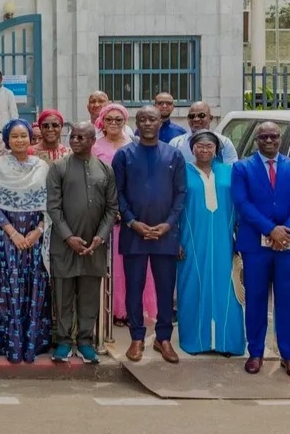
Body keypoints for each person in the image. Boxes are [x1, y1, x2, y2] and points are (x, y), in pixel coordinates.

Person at [232, 122, 290, 379]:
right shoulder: (242, 168)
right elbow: (242, 202)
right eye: (264, 136)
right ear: (257, 140)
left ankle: (289, 356)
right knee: (255, 299)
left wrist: (285, 230)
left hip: (287, 245)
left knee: (288, 301)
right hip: (255, 245)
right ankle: (255, 353)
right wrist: (270, 229)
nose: (269, 140)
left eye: (273, 136)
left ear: (280, 139)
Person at [113, 106, 186, 364]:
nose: (146, 123)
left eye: (151, 119)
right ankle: (136, 337)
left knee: (166, 289)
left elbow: (180, 194)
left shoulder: (174, 155)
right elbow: (117, 194)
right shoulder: (124, 155)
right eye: (142, 119)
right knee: (135, 288)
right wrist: (133, 222)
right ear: (136, 122)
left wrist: (168, 224)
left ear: (160, 122)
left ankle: (163, 338)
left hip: (165, 235)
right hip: (134, 234)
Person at [0, 119, 51, 363]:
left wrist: (37, 232)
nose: (20, 140)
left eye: (24, 136)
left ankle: (30, 343)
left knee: (32, 284)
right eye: (15, 136)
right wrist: (13, 233)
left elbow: (49, 205)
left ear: (30, 138)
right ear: (7, 140)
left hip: (34, 239)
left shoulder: (42, 167)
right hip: (6, 238)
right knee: (7, 285)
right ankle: (6, 343)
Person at [46, 122, 118, 364]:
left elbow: (112, 207)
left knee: (88, 296)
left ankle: (85, 341)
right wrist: (68, 236)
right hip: (64, 244)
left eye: (81, 137)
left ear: (92, 140)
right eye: (73, 136)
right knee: (63, 295)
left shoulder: (105, 170)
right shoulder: (58, 168)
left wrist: (101, 236)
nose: (75, 141)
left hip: (94, 246)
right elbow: (53, 207)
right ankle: (64, 341)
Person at [177, 130, 245, 357]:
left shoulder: (230, 172)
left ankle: (227, 342)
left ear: (216, 149)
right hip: (191, 239)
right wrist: (175, 241)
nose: (204, 150)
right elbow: (174, 208)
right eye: (200, 146)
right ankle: (196, 341)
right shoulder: (182, 173)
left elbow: (241, 205)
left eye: (209, 146)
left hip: (224, 239)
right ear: (192, 148)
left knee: (227, 288)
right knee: (192, 285)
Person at [93, 102, 154, 326]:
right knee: (112, 266)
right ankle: (113, 310)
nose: (114, 124)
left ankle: (132, 310)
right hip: (104, 211)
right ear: (102, 122)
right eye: (109, 119)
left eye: (119, 120)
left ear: (125, 122)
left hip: (132, 213)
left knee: (134, 266)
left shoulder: (135, 145)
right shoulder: (95, 146)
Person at [169, 101, 238, 164]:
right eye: (192, 116)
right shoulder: (176, 143)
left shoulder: (224, 143)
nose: (196, 119)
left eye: (201, 115)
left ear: (210, 118)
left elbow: (231, 170)